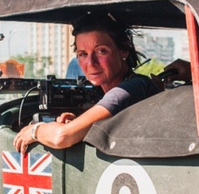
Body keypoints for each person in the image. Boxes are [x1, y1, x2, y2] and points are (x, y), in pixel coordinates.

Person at [14, 13, 188, 153]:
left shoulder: (131, 88)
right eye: (83, 54)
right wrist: (78, 123)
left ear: (123, 50)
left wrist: (35, 130)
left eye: (101, 51)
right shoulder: (120, 88)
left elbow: (62, 137)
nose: (91, 63)